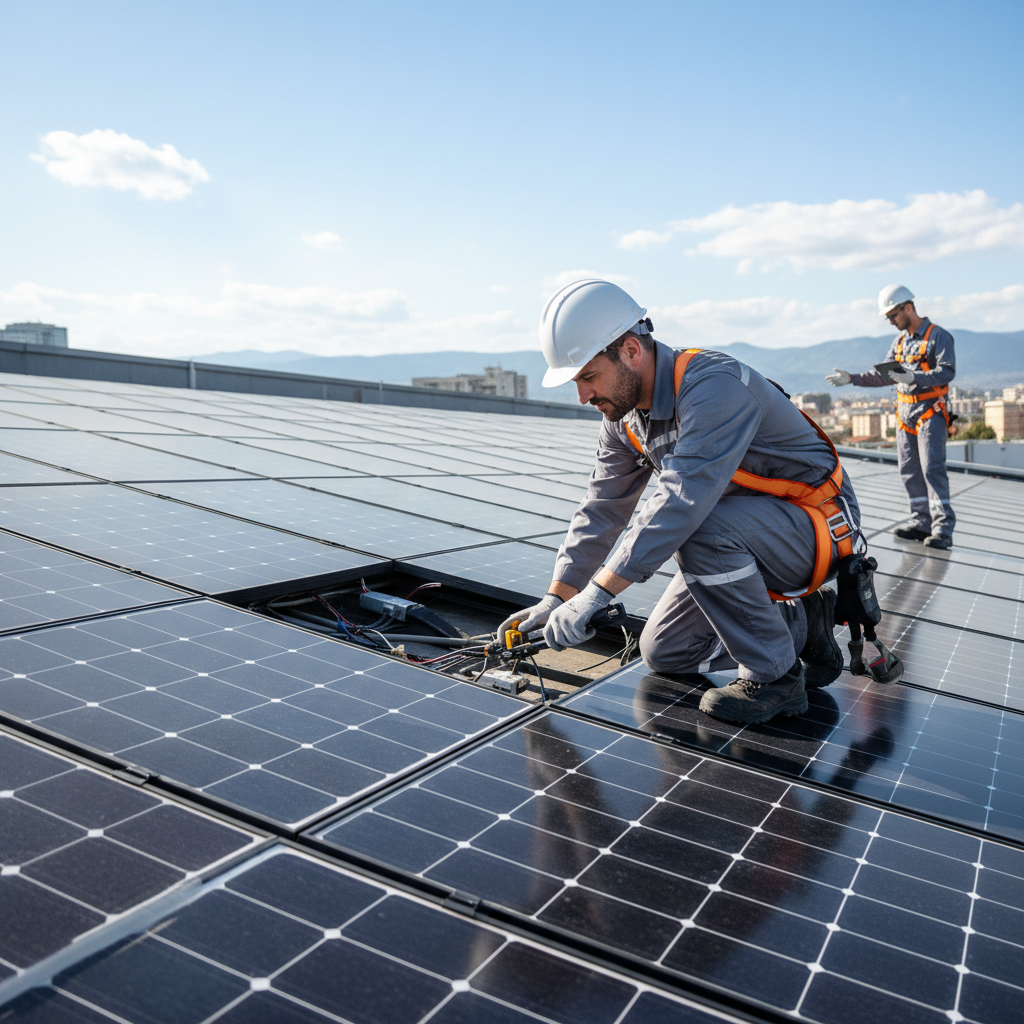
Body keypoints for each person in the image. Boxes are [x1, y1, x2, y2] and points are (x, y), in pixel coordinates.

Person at [499, 279, 863, 725]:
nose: (583, 396)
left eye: (589, 377)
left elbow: (681, 500)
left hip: (815, 528)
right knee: (667, 652)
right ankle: (801, 625)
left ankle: (776, 678)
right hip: (738, 535)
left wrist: (597, 594)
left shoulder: (714, 387)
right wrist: (558, 596)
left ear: (631, 349)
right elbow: (601, 509)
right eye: (576, 382)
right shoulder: (625, 420)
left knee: (698, 529)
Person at [825, 285, 956, 549]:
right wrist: (852, 379)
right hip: (904, 413)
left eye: (893, 315)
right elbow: (883, 375)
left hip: (930, 412)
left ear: (907, 308)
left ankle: (942, 529)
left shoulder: (938, 337)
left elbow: (947, 372)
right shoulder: (900, 342)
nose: (891, 321)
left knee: (932, 469)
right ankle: (922, 524)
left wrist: (914, 377)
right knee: (909, 471)